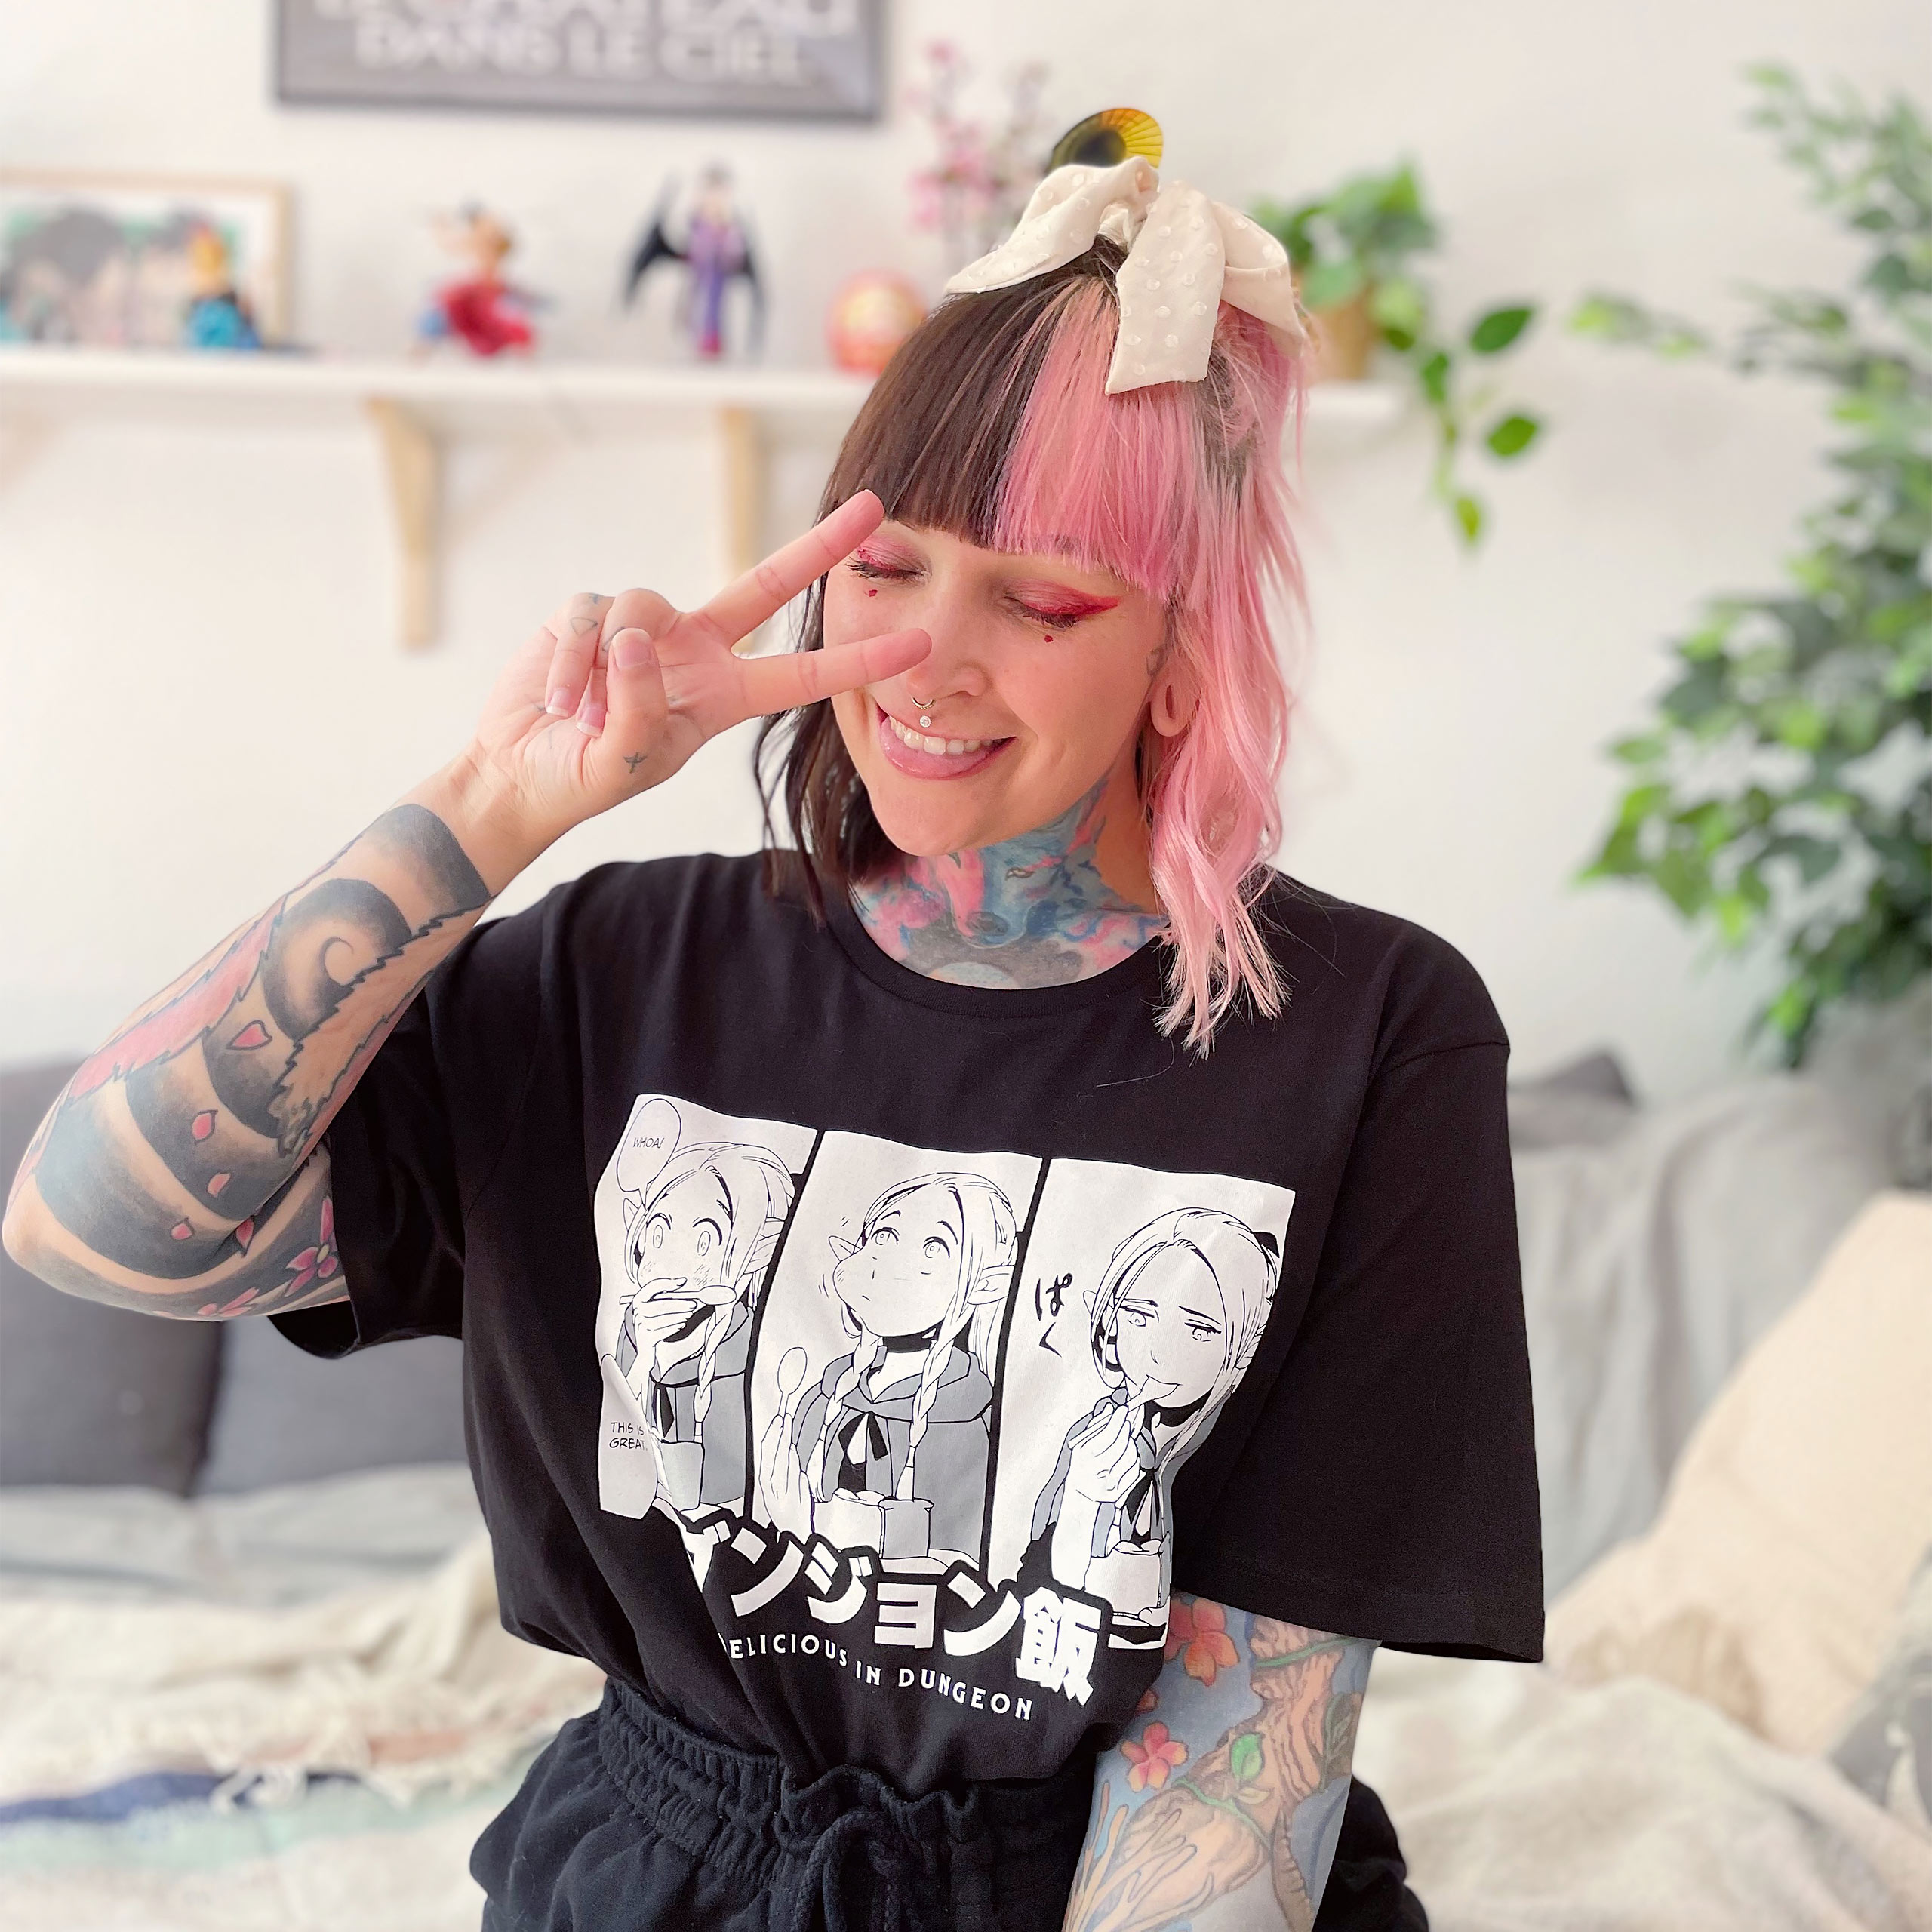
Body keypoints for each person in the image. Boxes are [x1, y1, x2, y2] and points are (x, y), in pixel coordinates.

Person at [3, 143, 1544, 1932]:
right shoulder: (610, 972)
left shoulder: (1367, 1035)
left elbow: (1232, 1760)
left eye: (1040, 601)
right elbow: (91, 1224)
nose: (925, 662)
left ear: (1179, 655)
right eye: (886, 568)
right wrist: (498, 799)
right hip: (652, 1867)